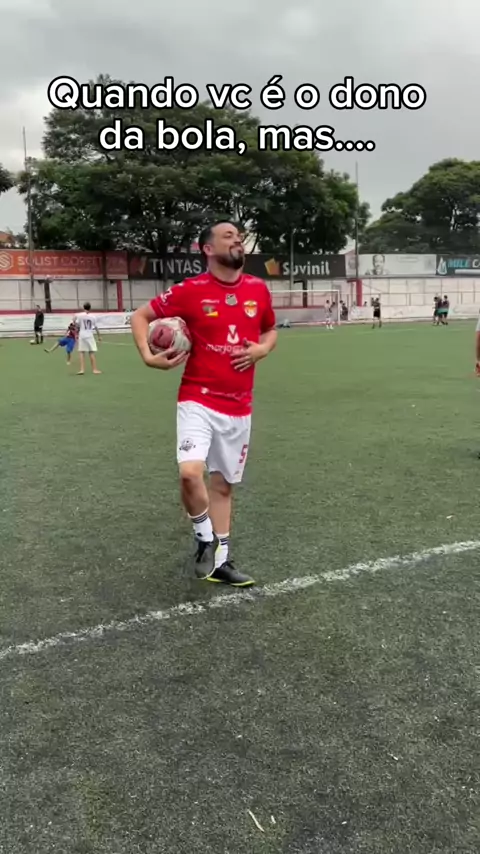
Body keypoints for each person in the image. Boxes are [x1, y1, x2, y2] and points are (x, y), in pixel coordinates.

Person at [131, 221, 277, 587]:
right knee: (189, 472)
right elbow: (140, 316)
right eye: (228, 236)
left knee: (223, 487)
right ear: (207, 249)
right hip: (198, 397)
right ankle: (205, 537)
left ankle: (221, 563)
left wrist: (262, 349)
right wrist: (148, 356)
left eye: (239, 236)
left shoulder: (258, 289)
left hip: (239, 406)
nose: (237, 240)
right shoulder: (190, 290)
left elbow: (270, 330)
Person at [74, 302, 102, 374]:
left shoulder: (80, 316)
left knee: (81, 352)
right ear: (90, 308)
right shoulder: (93, 317)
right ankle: (94, 369)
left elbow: (76, 325)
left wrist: (76, 334)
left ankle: (82, 369)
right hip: (89, 335)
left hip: (82, 334)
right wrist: (99, 336)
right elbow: (96, 327)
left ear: (84, 307)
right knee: (91, 352)